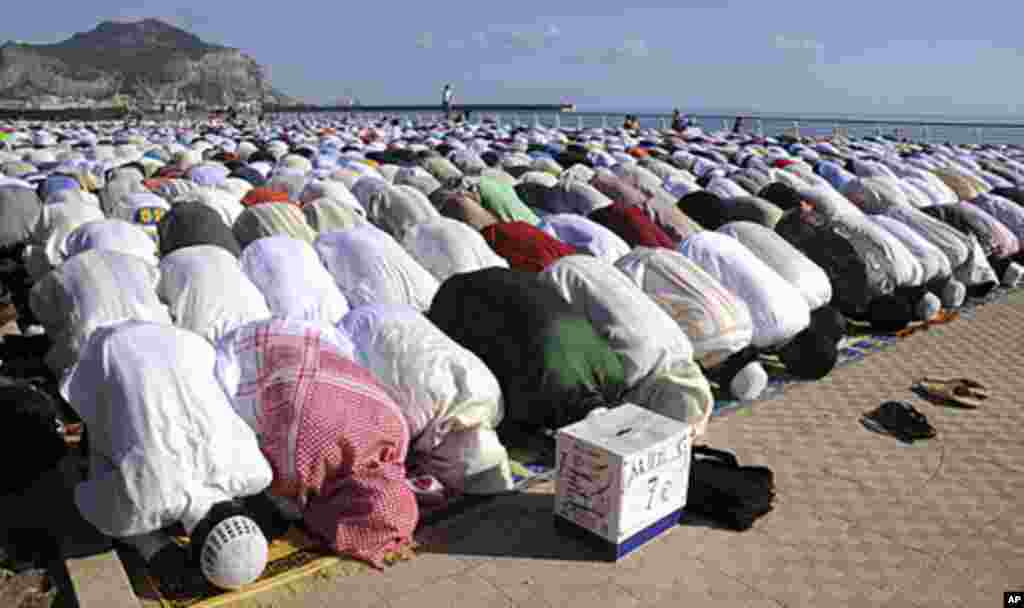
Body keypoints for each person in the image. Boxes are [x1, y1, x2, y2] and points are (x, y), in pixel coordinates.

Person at [61, 321, 274, 590]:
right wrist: (154, 548)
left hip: (183, 341)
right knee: (103, 464)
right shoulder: (146, 504)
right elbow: (91, 503)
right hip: (108, 353)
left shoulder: (256, 472)